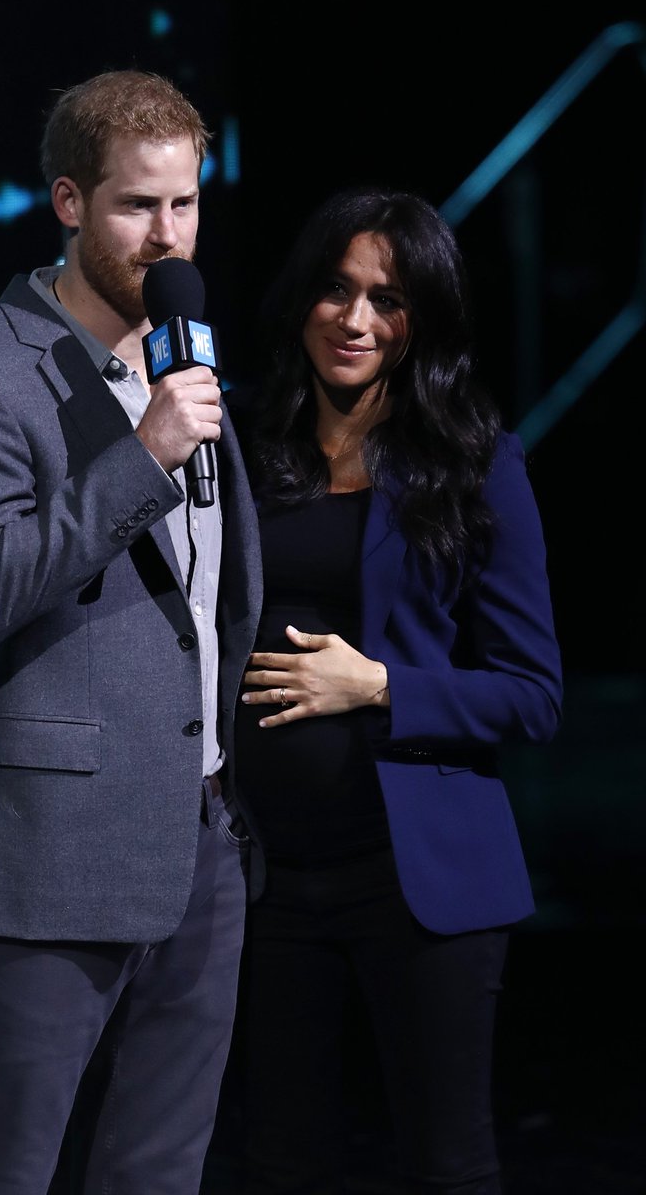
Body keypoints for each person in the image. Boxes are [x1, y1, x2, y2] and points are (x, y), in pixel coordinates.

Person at [0, 69, 262, 1195]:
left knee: (159, 1169)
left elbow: (209, 595)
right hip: (53, 849)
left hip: (199, 835)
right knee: (3, 1169)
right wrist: (141, 457)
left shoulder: (184, 348)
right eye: (136, 206)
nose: (168, 235)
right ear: (68, 203)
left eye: (185, 204)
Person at [226, 186, 563, 1194]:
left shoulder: (475, 466)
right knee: (278, 1164)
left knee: (445, 1165)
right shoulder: (242, 450)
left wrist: (375, 685)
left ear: (423, 320)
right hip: (261, 878)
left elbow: (531, 696)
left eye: (386, 297)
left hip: (414, 879)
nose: (355, 318)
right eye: (335, 288)